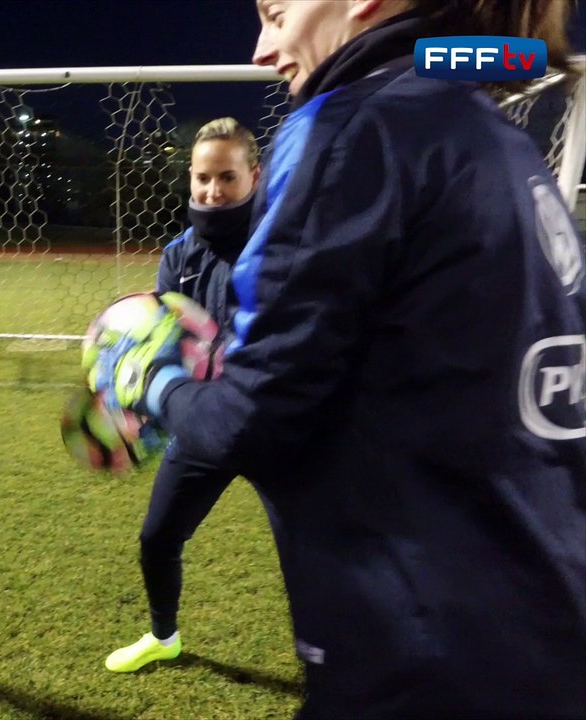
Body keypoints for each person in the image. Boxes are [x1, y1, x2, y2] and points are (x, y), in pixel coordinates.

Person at [93, 0, 586, 716]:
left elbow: (254, 421)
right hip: (538, 625)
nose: (264, 48)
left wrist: (150, 379)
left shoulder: (356, 123)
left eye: (275, 11)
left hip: (429, 653)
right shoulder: (491, 136)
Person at [104, 118, 264, 672]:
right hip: (204, 420)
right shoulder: (179, 255)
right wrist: (139, 409)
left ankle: (339, 664)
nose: (212, 191)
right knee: (157, 538)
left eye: (227, 177)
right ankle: (163, 636)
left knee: (317, 553)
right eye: (202, 178)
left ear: (254, 175)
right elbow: (163, 341)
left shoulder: (281, 244)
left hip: (275, 425)